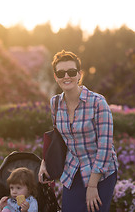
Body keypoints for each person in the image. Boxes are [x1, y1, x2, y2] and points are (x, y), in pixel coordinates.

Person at [38, 50, 118, 212]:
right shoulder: (55, 103)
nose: (66, 76)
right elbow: (57, 138)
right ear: (56, 77)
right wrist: (44, 162)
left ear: (79, 74)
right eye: (61, 73)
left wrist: (92, 185)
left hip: (101, 172)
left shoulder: (98, 103)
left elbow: (105, 148)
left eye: (71, 72)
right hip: (72, 169)